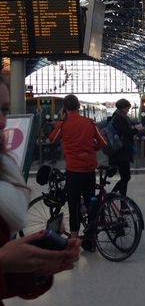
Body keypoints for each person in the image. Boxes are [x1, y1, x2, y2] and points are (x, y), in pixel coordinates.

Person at [0, 75, 80, 306]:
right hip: (84, 170)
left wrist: (38, 266)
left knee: (73, 208)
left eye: (4, 109)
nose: (1, 120)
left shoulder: (3, 178)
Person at [49, 94, 106, 249]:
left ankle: (73, 242)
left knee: (73, 206)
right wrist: (90, 150)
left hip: (73, 171)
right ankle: (91, 240)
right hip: (88, 169)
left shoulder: (64, 123)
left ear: (65, 109)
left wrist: (61, 120)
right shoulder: (89, 122)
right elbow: (102, 142)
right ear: (79, 106)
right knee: (90, 203)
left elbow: (52, 139)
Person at [108, 98, 142, 194]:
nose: (128, 110)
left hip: (120, 151)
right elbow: (127, 132)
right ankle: (112, 196)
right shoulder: (119, 117)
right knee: (126, 177)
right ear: (123, 107)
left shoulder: (118, 116)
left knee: (125, 177)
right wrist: (137, 129)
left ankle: (122, 201)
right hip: (120, 152)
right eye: (127, 108)